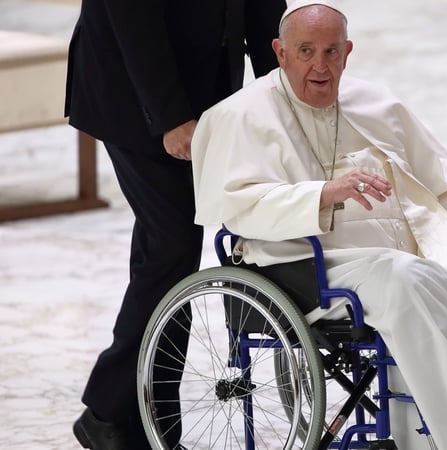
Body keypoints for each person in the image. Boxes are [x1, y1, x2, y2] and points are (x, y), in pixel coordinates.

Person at [192, 1, 447, 449]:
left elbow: (442, 177)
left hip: (405, 249)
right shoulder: (239, 115)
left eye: (330, 52)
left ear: (347, 52)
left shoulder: (377, 103)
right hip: (306, 262)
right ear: (280, 52)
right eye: (305, 51)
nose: (319, 66)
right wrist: (323, 193)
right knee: (408, 278)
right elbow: (236, 207)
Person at [65, 0, 286, 448]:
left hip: (204, 85)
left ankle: (148, 425)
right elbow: (133, 18)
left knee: (165, 249)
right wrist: (168, 117)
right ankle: (107, 411)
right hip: (132, 90)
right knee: (172, 244)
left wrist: (284, 96)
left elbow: (263, 10)